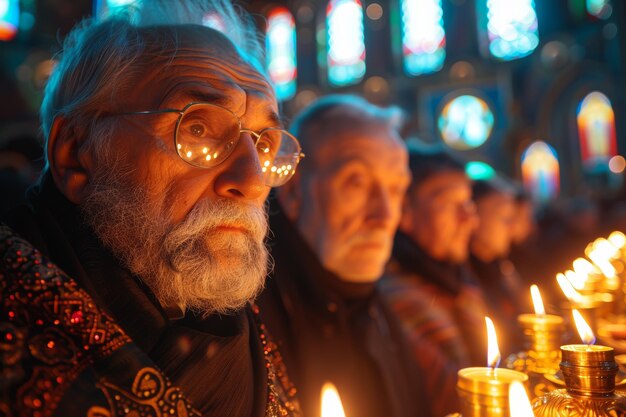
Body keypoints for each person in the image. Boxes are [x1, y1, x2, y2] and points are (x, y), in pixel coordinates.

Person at [0, 1, 303, 416]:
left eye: (264, 144)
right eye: (197, 128)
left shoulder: (243, 334)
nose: (252, 182)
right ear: (74, 153)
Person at [257, 95, 427, 417]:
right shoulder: (248, 315)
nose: (386, 215)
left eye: (395, 189)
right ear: (294, 192)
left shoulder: (378, 308)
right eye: (356, 182)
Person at [378, 144, 488, 417]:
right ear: (405, 212)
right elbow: (454, 400)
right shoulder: (397, 300)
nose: (468, 218)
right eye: (448, 203)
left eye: (468, 203)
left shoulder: (459, 281)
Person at [469, 178, 529, 357]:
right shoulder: (468, 278)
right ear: (475, 217)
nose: (512, 228)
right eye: (505, 218)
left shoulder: (501, 267)